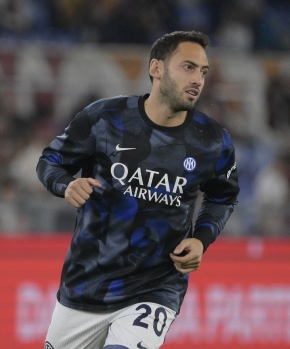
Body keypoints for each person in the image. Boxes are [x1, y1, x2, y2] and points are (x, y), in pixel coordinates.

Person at [36, 31, 239, 349]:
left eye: (203, 72)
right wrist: (65, 185)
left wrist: (202, 239)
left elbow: (223, 195)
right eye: (187, 67)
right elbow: (50, 161)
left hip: (155, 287)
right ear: (156, 68)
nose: (197, 79)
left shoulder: (212, 140)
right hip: (85, 286)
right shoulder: (106, 118)